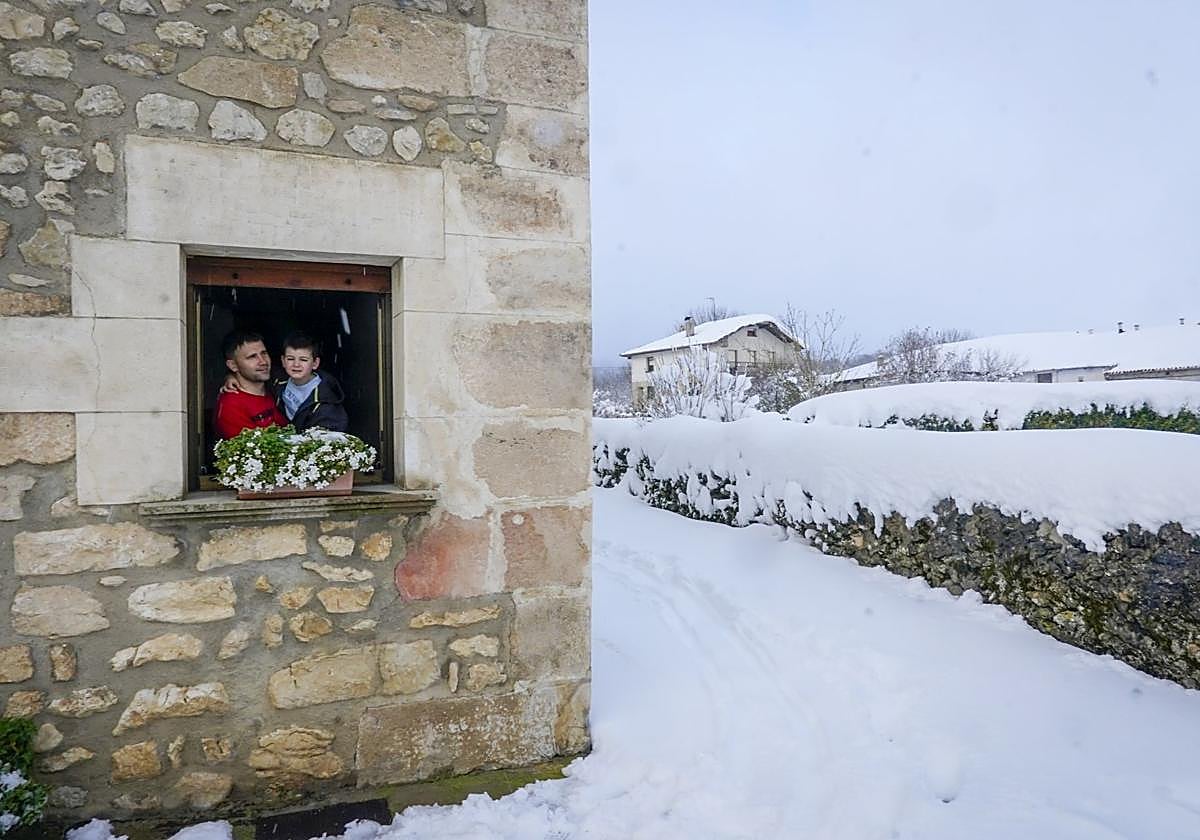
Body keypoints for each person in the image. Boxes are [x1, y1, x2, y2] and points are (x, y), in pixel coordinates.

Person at [213, 330, 287, 439]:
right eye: (252, 357)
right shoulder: (231, 406)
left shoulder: (276, 386)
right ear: (233, 365)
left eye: (264, 353)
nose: (263, 362)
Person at [271, 331, 349, 432]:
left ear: (315, 363)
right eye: (290, 359)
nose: (296, 364)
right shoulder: (277, 382)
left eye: (303, 360)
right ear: (283, 361)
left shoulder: (327, 401)